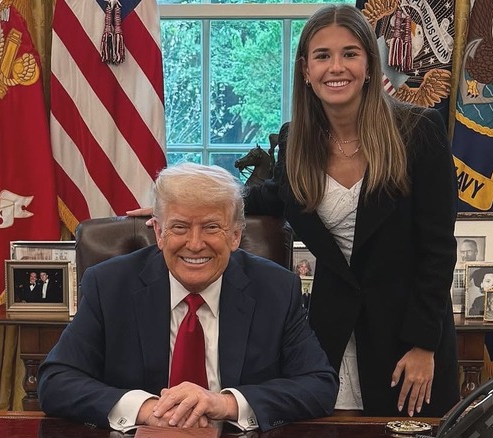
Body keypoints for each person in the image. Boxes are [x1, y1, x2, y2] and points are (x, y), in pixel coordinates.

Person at [243, 4, 459, 417]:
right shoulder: (295, 141)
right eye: (322, 56)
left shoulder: (420, 132)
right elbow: (272, 195)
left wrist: (423, 345)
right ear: (306, 70)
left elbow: (438, 249)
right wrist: (195, 205)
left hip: (408, 340)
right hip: (331, 336)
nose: (335, 67)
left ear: (369, 64)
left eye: (350, 53)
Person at [38, 163, 338, 433]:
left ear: (235, 235)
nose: (195, 245)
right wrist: (144, 409)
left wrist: (225, 404)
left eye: (211, 227)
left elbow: (319, 385)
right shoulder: (109, 285)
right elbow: (57, 381)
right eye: (179, 227)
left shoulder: (275, 288)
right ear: (158, 232)